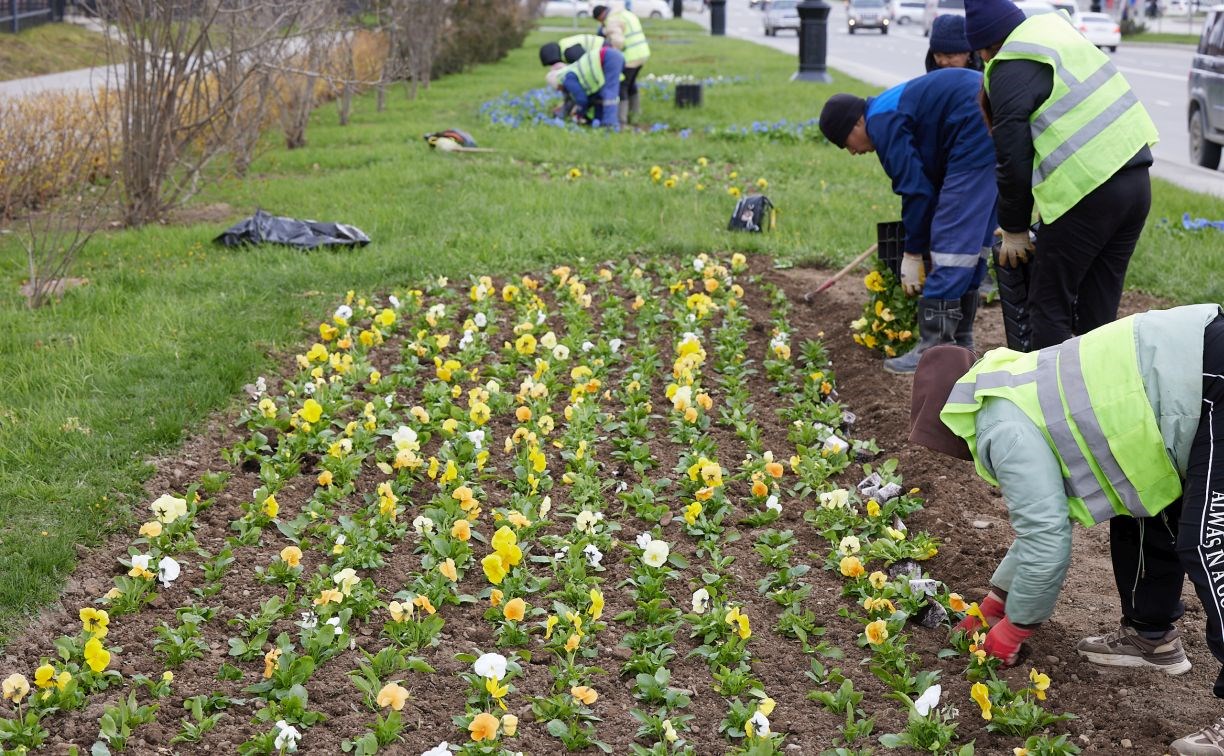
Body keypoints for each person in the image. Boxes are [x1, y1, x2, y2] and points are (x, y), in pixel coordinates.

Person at [908, 304, 1224, 755]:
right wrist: (997, 600)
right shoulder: (1008, 388)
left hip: (1208, 374)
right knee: (1145, 510)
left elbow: (1046, 539)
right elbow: (1045, 521)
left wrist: (1016, 627)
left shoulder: (1001, 430)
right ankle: (1150, 636)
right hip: (1188, 371)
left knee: (1210, 544)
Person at [965, 0, 1158, 350]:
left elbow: (1013, 158)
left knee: (1048, 304)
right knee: (1099, 308)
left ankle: (1050, 402)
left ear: (982, 48)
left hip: (1089, 192)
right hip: (1136, 179)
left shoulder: (1008, 67)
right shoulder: (1055, 33)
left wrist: (1014, 229)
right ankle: (1100, 396)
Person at [818, 68, 997, 374]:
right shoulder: (886, 108)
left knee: (952, 243)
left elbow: (917, 191)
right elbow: (927, 181)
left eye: (846, 142)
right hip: (984, 116)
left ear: (857, 122)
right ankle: (961, 341)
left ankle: (934, 349)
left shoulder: (881, 122)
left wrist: (912, 253)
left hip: (974, 123)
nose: (852, 152)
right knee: (972, 244)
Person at [593, 4, 650, 126]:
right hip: (643, 52)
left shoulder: (612, 20)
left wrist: (613, 54)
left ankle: (621, 119)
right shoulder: (625, 13)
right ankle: (635, 113)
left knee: (622, 86)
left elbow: (618, 41)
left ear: (601, 16)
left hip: (631, 56)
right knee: (631, 84)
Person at [545, 44, 624, 128]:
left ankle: (610, 125)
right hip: (610, 56)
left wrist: (579, 113)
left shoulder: (567, 79)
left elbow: (581, 99)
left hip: (607, 57)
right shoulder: (570, 72)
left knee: (609, 93)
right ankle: (599, 121)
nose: (559, 90)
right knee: (599, 97)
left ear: (557, 83)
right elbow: (586, 97)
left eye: (558, 88)